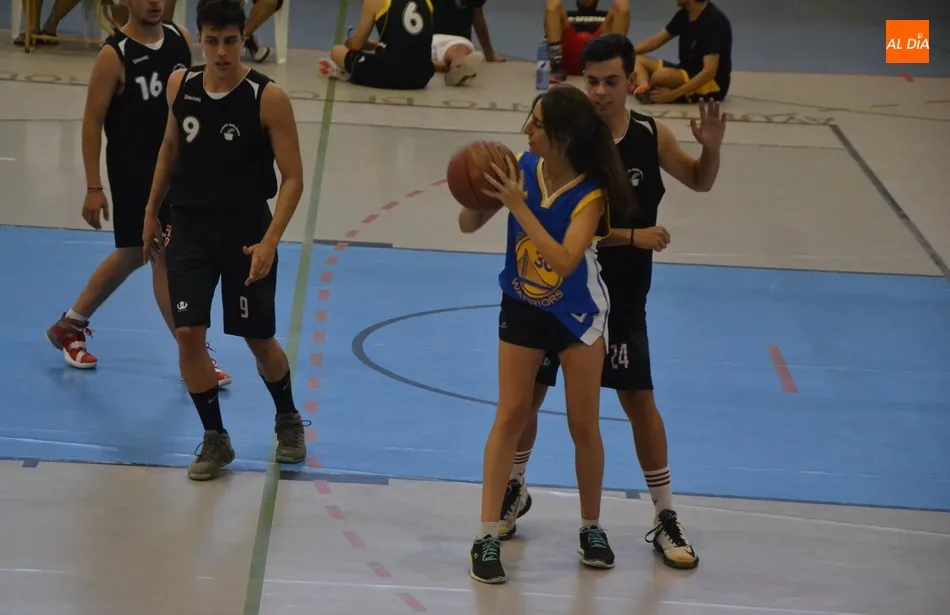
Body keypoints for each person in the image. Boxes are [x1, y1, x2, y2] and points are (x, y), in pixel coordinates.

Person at [498, 33, 726, 571]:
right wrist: (633, 235)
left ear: (631, 81)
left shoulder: (650, 135)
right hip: (559, 294)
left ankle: (665, 515)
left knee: (638, 401)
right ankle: (514, 487)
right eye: (592, 81)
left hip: (621, 299)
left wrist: (712, 148)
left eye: (611, 82)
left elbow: (699, 180)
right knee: (528, 400)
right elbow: (566, 231)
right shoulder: (570, 138)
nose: (600, 91)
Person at [458, 84, 640, 584]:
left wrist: (518, 206)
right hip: (522, 304)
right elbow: (468, 224)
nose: (527, 130)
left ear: (562, 136)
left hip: (577, 314)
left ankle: (591, 527)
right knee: (510, 414)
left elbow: (562, 262)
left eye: (536, 124)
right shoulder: (519, 167)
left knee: (583, 425)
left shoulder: (591, 193)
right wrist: (476, 194)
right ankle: (486, 534)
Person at [141, 0, 306, 481]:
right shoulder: (181, 85)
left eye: (230, 41)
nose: (221, 52)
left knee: (259, 339)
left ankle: (288, 418)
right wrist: (150, 211)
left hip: (246, 236)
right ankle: (215, 437)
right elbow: (169, 148)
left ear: (243, 39)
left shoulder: (268, 98)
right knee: (188, 334)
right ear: (199, 38)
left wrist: (270, 240)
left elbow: (293, 178)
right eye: (211, 42)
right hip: (190, 231)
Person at [44, 0, 233, 387]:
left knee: (133, 253)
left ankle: (70, 325)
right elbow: (92, 121)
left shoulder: (180, 39)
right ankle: (193, 355)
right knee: (163, 257)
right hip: (134, 175)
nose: (154, 2)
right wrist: (93, 187)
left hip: (174, 172)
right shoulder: (114, 54)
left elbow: (190, 106)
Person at [319, 0, 435, 91]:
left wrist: (349, 42)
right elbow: (412, 40)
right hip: (422, 77)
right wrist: (374, 45)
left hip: (393, 74)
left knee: (337, 51)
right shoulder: (427, 2)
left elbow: (356, 45)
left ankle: (350, 71)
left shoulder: (374, 1)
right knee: (383, 52)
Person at [631, 0, 732, 103]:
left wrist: (672, 95)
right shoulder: (685, 14)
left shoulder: (714, 22)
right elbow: (656, 40)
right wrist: (625, 52)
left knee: (659, 76)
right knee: (636, 59)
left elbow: (709, 72)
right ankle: (644, 88)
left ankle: (664, 89)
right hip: (685, 71)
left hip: (711, 84)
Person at [544, 0, 629, 83]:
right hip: (571, 50)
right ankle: (557, 64)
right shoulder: (566, 15)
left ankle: (614, 67)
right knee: (553, 2)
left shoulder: (607, 17)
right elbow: (549, 33)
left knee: (622, 4)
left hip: (598, 52)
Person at [431, 0, 503, 86]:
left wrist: (490, 55)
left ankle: (436, 64)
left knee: (457, 50)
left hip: (430, 38)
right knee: (459, 51)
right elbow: (478, 20)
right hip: (453, 40)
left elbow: (478, 20)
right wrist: (489, 55)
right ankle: (454, 66)